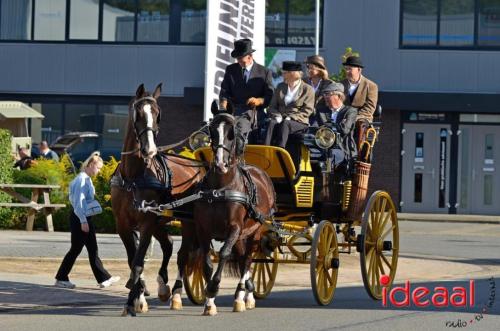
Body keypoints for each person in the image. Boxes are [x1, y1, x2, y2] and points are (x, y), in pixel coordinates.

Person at [55, 152, 120, 289]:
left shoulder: (86, 179)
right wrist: (83, 221)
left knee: (88, 249)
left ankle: (103, 279)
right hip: (80, 217)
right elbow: (78, 203)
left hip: (81, 217)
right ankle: (62, 278)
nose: (100, 171)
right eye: (99, 168)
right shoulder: (82, 180)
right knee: (81, 250)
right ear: (91, 165)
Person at [219, 38, 274, 149]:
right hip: (233, 110)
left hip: (253, 112)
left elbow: (269, 95)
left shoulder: (264, 72)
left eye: (240, 58)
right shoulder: (231, 69)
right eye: (237, 59)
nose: (238, 61)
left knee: (239, 127)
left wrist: (259, 100)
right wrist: (223, 106)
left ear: (250, 57)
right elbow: (224, 91)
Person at [264, 61, 315, 148]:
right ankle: (266, 150)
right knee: (271, 123)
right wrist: (277, 116)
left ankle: (280, 151)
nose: (283, 75)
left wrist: (291, 117)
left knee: (285, 124)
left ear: (293, 74)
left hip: (299, 121)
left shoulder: (308, 89)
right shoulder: (280, 86)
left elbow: (307, 110)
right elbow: (272, 106)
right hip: (280, 118)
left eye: (285, 73)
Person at [313, 82, 358, 164]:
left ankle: (326, 176)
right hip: (321, 146)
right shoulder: (321, 111)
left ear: (338, 96)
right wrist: (336, 126)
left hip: (341, 148)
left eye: (327, 94)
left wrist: (326, 127)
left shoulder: (350, 111)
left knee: (330, 156)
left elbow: (344, 130)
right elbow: (314, 127)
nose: (325, 97)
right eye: (324, 94)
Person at [340, 56, 378, 148]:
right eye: (346, 69)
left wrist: (352, 118)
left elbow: (369, 108)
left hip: (361, 118)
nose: (347, 71)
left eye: (350, 69)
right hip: (343, 117)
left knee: (360, 125)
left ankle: (360, 154)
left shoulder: (371, 86)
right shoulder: (340, 84)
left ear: (359, 70)